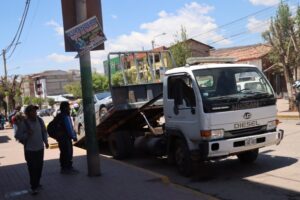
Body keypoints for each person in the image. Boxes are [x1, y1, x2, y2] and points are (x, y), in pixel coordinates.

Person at [16, 105, 49, 195]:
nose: (35, 113)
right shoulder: (24, 123)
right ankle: (33, 187)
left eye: (35, 111)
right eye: (32, 111)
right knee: (32, 168)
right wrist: (27, 134)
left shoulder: (40, 120)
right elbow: (18, 136)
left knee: (39, 167)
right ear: (28, 113)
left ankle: (37, 183)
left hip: (40, 149)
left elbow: (44, 132)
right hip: (29, 150)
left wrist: (46, 142)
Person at [56, 101, 78, 174]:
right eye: (68, 107)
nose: (69, 108)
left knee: (63, 153)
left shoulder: (59, 115)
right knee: (68, 153)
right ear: (65, 108)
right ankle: (67, 168)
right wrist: (73, 136)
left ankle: (64, 168)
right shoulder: (65, 116)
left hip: (61, 138)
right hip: (65, 138)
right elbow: (69, 128)